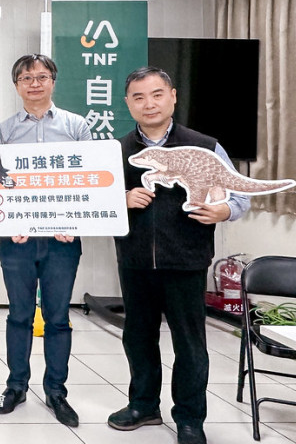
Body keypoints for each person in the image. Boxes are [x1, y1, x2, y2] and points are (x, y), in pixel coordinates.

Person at [107, 67, 250, 444]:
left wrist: (224, 210)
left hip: (186, 260)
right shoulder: (116, 150)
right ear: (128, 104)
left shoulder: (204, 145)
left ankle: (189, 418)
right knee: (138, 337)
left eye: (157, 94)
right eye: (138, 97)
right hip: (135, 260)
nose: (149, 104)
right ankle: (143, 405)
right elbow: (97, 201)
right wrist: (121, 200)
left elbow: (240, 197)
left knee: (189, 343)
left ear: (172, 96)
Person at [0, 54, 90, 427]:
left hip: (62, 238)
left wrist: (73, 220)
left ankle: (56, 392)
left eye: (42, 76)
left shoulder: (76, 126)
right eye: (26, 78)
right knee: (19, 315)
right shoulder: (4, 131)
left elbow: (89, 176)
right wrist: (10, 220)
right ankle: (16, 386)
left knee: (58, 318)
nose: (34, 83)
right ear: (16, 85)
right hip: (17, 239)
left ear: (53, 81)